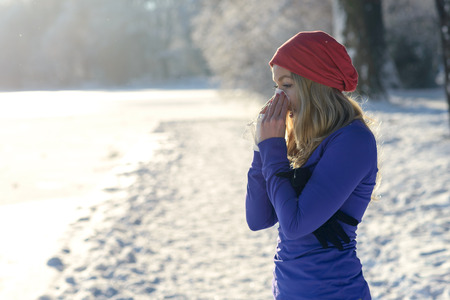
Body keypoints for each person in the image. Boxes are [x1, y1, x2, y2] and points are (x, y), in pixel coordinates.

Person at [245, 31, 378, 299]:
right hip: (288, 291)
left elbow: (295, 225)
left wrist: (272, 150)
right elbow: (258, 218)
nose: (278, 98)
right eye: (276, 87)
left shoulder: (353, 140)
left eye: (287, 85)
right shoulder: (303, 139)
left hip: (335, 292)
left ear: (314, 83)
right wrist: (262, 148)